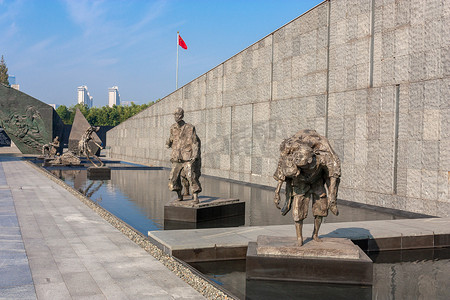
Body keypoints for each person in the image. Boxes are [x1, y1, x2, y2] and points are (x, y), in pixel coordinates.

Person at [273, 130, 341, 246]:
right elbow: (283, 172)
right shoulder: (292, 156)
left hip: (317, 181)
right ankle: (299, 237)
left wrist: (332, 197)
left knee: (321, 208)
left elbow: (334, 174)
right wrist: (277, 191)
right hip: (300, 182)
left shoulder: (323, 159)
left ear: (310, 160)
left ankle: (315, 234)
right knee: (297, 210)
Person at [166, 107, 202, 204]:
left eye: (178, 114)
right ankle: (179, 195)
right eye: (175, 115)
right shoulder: (173, 128)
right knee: (173, 178)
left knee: (191, 176)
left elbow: (195, 142)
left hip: (187, 157)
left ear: (182, 115)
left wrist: (195, 155)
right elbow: (171, 139)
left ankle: (195, 196)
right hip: (176, 158)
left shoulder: (190, 127)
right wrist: (168, 143)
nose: (176, 116)